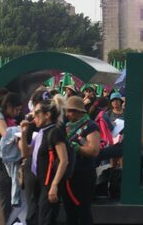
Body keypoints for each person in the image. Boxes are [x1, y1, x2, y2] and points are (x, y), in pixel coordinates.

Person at [19, 96, 67, 225]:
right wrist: (23, 134)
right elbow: (26, 153)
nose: (33, 116)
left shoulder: (55, 132)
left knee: (45, 217)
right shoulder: (40, 132)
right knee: (32, 216)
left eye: (36, 113)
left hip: (47, 181)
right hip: (35, 181)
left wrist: (54, 185)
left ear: (47, 115)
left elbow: (64, 160)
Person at [63, 96, 101, 225]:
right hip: (69, 174)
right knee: (69, 212)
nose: (67, 114)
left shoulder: (91, 126)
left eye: (70, 111)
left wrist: (75, 147)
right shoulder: (66, 126)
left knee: (83, 211)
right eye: (66, 111)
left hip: (84, 174)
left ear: (79, 112)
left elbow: (94, 150)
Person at [0, 89, 22, 223]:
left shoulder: (9, 119)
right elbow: (6, 134)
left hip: (5, 166)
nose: (18, 113)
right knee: (2, 203)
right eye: (16, 110)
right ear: (9, 106)